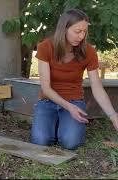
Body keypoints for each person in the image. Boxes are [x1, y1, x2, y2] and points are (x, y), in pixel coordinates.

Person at [30, 9, 118, 150]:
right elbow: (46, 88)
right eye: (77, 31)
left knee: (71, 143)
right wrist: (68, 108)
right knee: (40, 141)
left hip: (75, 101)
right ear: (64, 28)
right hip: (48, 101)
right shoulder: (45, 47)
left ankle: (64, 124)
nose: (81, 36)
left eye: (84, 32)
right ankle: (58, 122)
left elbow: (97, 87)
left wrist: (113, 116)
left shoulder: (89, 51)